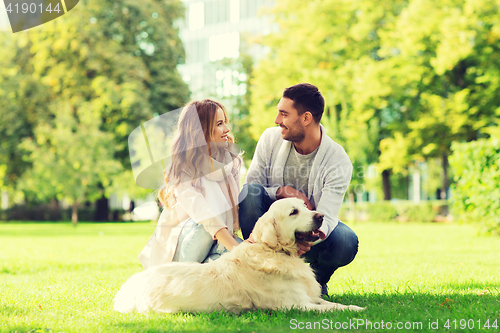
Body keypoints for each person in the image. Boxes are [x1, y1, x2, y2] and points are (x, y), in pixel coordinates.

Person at [239, 83, 358, 297]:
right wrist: (282, 191)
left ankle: (314, 283)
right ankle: (256, 273)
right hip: (273, 228)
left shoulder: (338, 161)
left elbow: (328, 217)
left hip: (310, 229)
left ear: (306, 118)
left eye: (284, 114)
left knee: (346, 241)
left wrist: (307, 238)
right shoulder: (269, 138)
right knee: (249, 195)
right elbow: (251, 188)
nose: (277, 121)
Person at [139, 99, 242, 268]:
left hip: (218, 242)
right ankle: (172, 276)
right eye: (219, 123)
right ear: (200, 131)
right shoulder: (181, 166)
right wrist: (237, 250)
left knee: (234, 267)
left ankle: (207, 269)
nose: (227, 129)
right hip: (183, 246)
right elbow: (203, 213)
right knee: (208, 226)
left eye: (225, 122)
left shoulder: (230, 162)